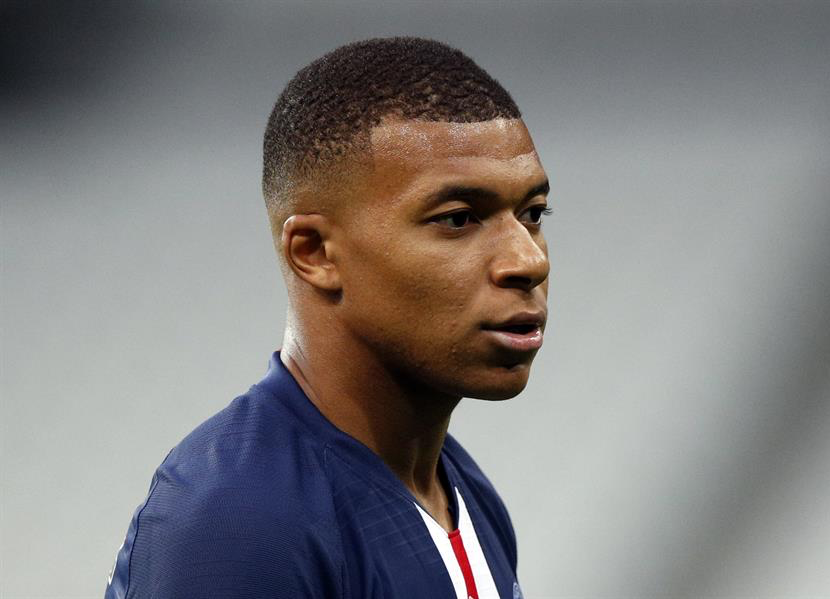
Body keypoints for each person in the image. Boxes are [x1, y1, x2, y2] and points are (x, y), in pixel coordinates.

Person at [105, 36, 550, 599]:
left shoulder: (463, 491)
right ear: (314, 253)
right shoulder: (242, 522)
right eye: (458, 218)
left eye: (533, 213)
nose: (528, 260)